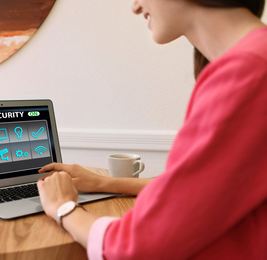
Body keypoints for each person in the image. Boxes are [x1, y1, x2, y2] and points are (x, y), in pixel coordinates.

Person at [37, 0, 267, 259]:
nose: (135, 6)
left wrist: (63, 208)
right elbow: (195, 191)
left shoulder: (248, 73)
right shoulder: (254, 60)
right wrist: (104, 182)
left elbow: (139, 245)